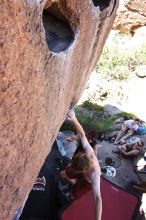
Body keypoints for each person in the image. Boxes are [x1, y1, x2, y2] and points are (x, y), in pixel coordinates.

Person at [60, 110, 102, 220]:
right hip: (81, 169)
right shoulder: (89, 152)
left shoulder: (94, 175)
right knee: (62, 174)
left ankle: (74, 186)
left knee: (73, 195)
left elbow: (98, 199)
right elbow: (83, 135)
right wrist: (74, 118)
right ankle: (73, 182)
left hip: (86, 182)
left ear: (84, 170)